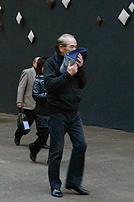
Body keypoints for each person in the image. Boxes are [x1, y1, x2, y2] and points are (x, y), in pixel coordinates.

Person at [45, 34, 89, 197]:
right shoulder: (51, 63)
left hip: (73, 112)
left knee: (81, 145)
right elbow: (49, 85)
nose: (75, 49)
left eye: (76, 46)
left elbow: (82, 84)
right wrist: (68, 74)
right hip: (57, 112)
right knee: (56, 151)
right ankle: (55, 185)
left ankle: (73, 182)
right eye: (71, 46)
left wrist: (81, 68)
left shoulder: (74, 62)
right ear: (61, 48)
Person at [14, 56, 41, 146]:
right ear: (33, 63)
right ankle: (18, 135)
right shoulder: (27, 72)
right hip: (29, 103)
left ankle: (42, 142)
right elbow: (21, 87)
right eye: (38, 62)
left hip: (41, 104)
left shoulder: (44, 73)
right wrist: (19, 101)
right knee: (27, 123)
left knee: (42, 126)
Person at [29, 57, 49, 162]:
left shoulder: (53, 79)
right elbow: (36, 95)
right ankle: (34, 148)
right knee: (43, 136)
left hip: (53, 112)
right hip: (42, 112)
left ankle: (52, 159)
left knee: (56, 137)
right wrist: (48, 94)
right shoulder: (38, 81)